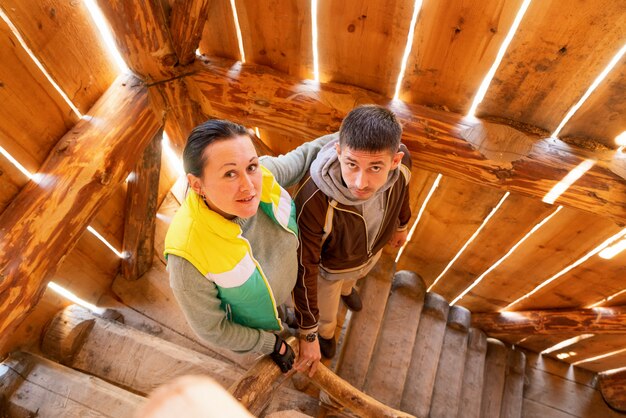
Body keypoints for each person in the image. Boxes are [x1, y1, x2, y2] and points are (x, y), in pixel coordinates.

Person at [164, 119, 328, 373]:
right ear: (197, 185)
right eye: (230, 173)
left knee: (282, 311)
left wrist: (359, 134)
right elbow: (213, 329)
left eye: (251, 166)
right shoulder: (188, 258)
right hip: (255, 324)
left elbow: (308, 153)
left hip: (282, 291)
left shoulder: (263, 175)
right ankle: (280, 326)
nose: (250, 186)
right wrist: (272, 344)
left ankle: (285, 314)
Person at [292, 105, 412, 372]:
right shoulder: (314, 199)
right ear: (338, 152)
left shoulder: (403, 167)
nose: (360, 182)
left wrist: (402, 225)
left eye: (375, 167)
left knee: (354, 277)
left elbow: (403, 192)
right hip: (330, 270)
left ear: (395, 161)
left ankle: (349, 290)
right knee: (327, 309)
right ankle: (326, 334)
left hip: (369, 253)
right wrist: (308, 332)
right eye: (351, 164)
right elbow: (305, 265)